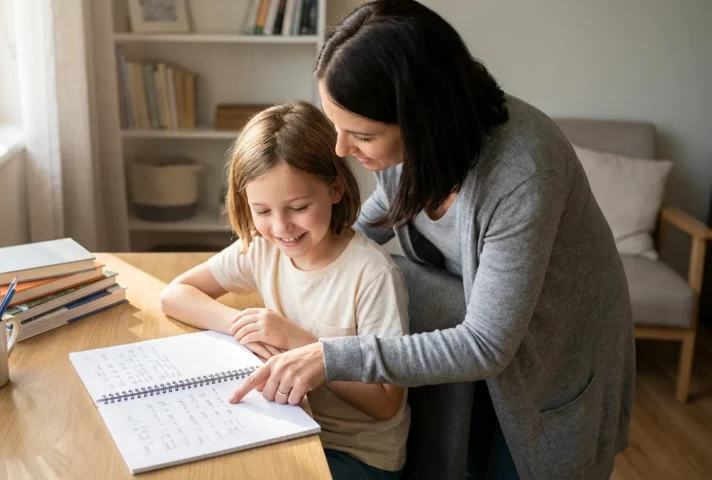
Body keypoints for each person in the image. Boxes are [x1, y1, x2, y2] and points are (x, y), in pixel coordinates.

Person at [229, 2, 636, 479]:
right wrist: (300, 244)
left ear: (422, 119)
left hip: (554, 354)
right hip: (483, 342)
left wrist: (329, 355)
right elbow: (368, 221)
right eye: (336, 126)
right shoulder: (412, 149)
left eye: (360, 134)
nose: (341, 150)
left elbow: (486, 343)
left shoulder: (523, 171)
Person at [160, 101, 412, 479]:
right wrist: (241, 324)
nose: (281, 227)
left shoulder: (372, 276)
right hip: (288, 427)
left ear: (335, 189)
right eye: (262, 211)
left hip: (357, 455)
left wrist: (303, 345)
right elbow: (175, 295)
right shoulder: (264, 249)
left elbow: (386, 403)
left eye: (297, 207)